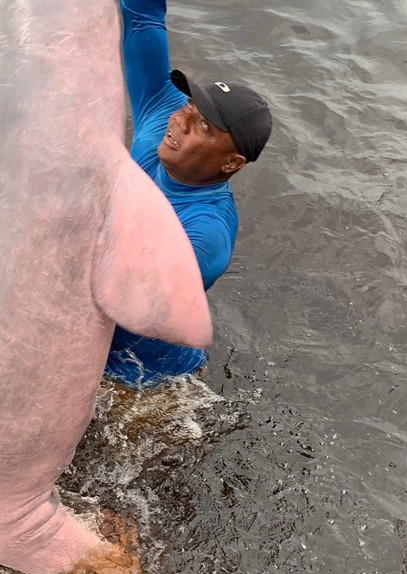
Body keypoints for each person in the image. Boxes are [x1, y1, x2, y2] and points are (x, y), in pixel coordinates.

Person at [104, 0, 272, 389]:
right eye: (190, 106)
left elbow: (129, 307)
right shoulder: (165, 113)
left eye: (203, 127)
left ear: (231, 163)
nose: (179, 119)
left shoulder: (205, 234)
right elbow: (142, 17)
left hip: (148, 385)